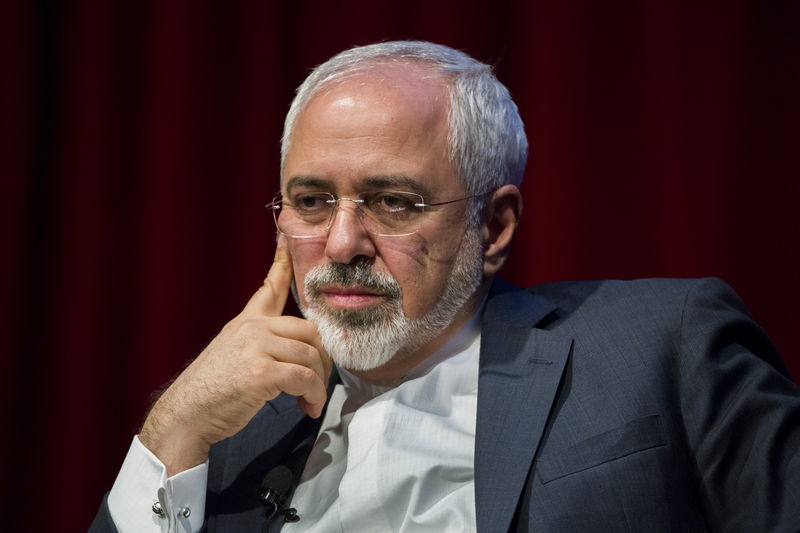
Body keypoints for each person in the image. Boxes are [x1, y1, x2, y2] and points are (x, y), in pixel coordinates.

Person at [90, 41, 800, 533]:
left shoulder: (660, 346)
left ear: (493, 227)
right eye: (310, 201)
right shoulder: (232, 441)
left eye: (393, 203)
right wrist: (171, 430)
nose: (341, 244)